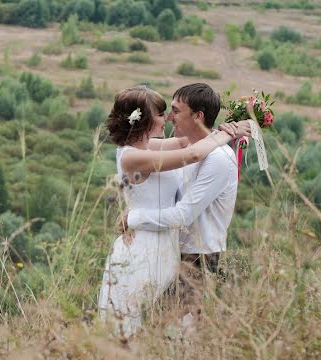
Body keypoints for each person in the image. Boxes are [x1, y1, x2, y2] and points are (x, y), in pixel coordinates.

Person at [97, 86, 250, 337]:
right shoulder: (130, 157)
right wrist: (226, 134)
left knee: (167, 327)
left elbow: (188, 141)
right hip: (144, 245)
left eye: (173, 111)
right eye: (161, 113)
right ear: (145, 120)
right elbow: (191, 153)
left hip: (168, 246)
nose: (167, 117)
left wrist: (230, 126)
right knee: (140, 320)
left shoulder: (152, 147)